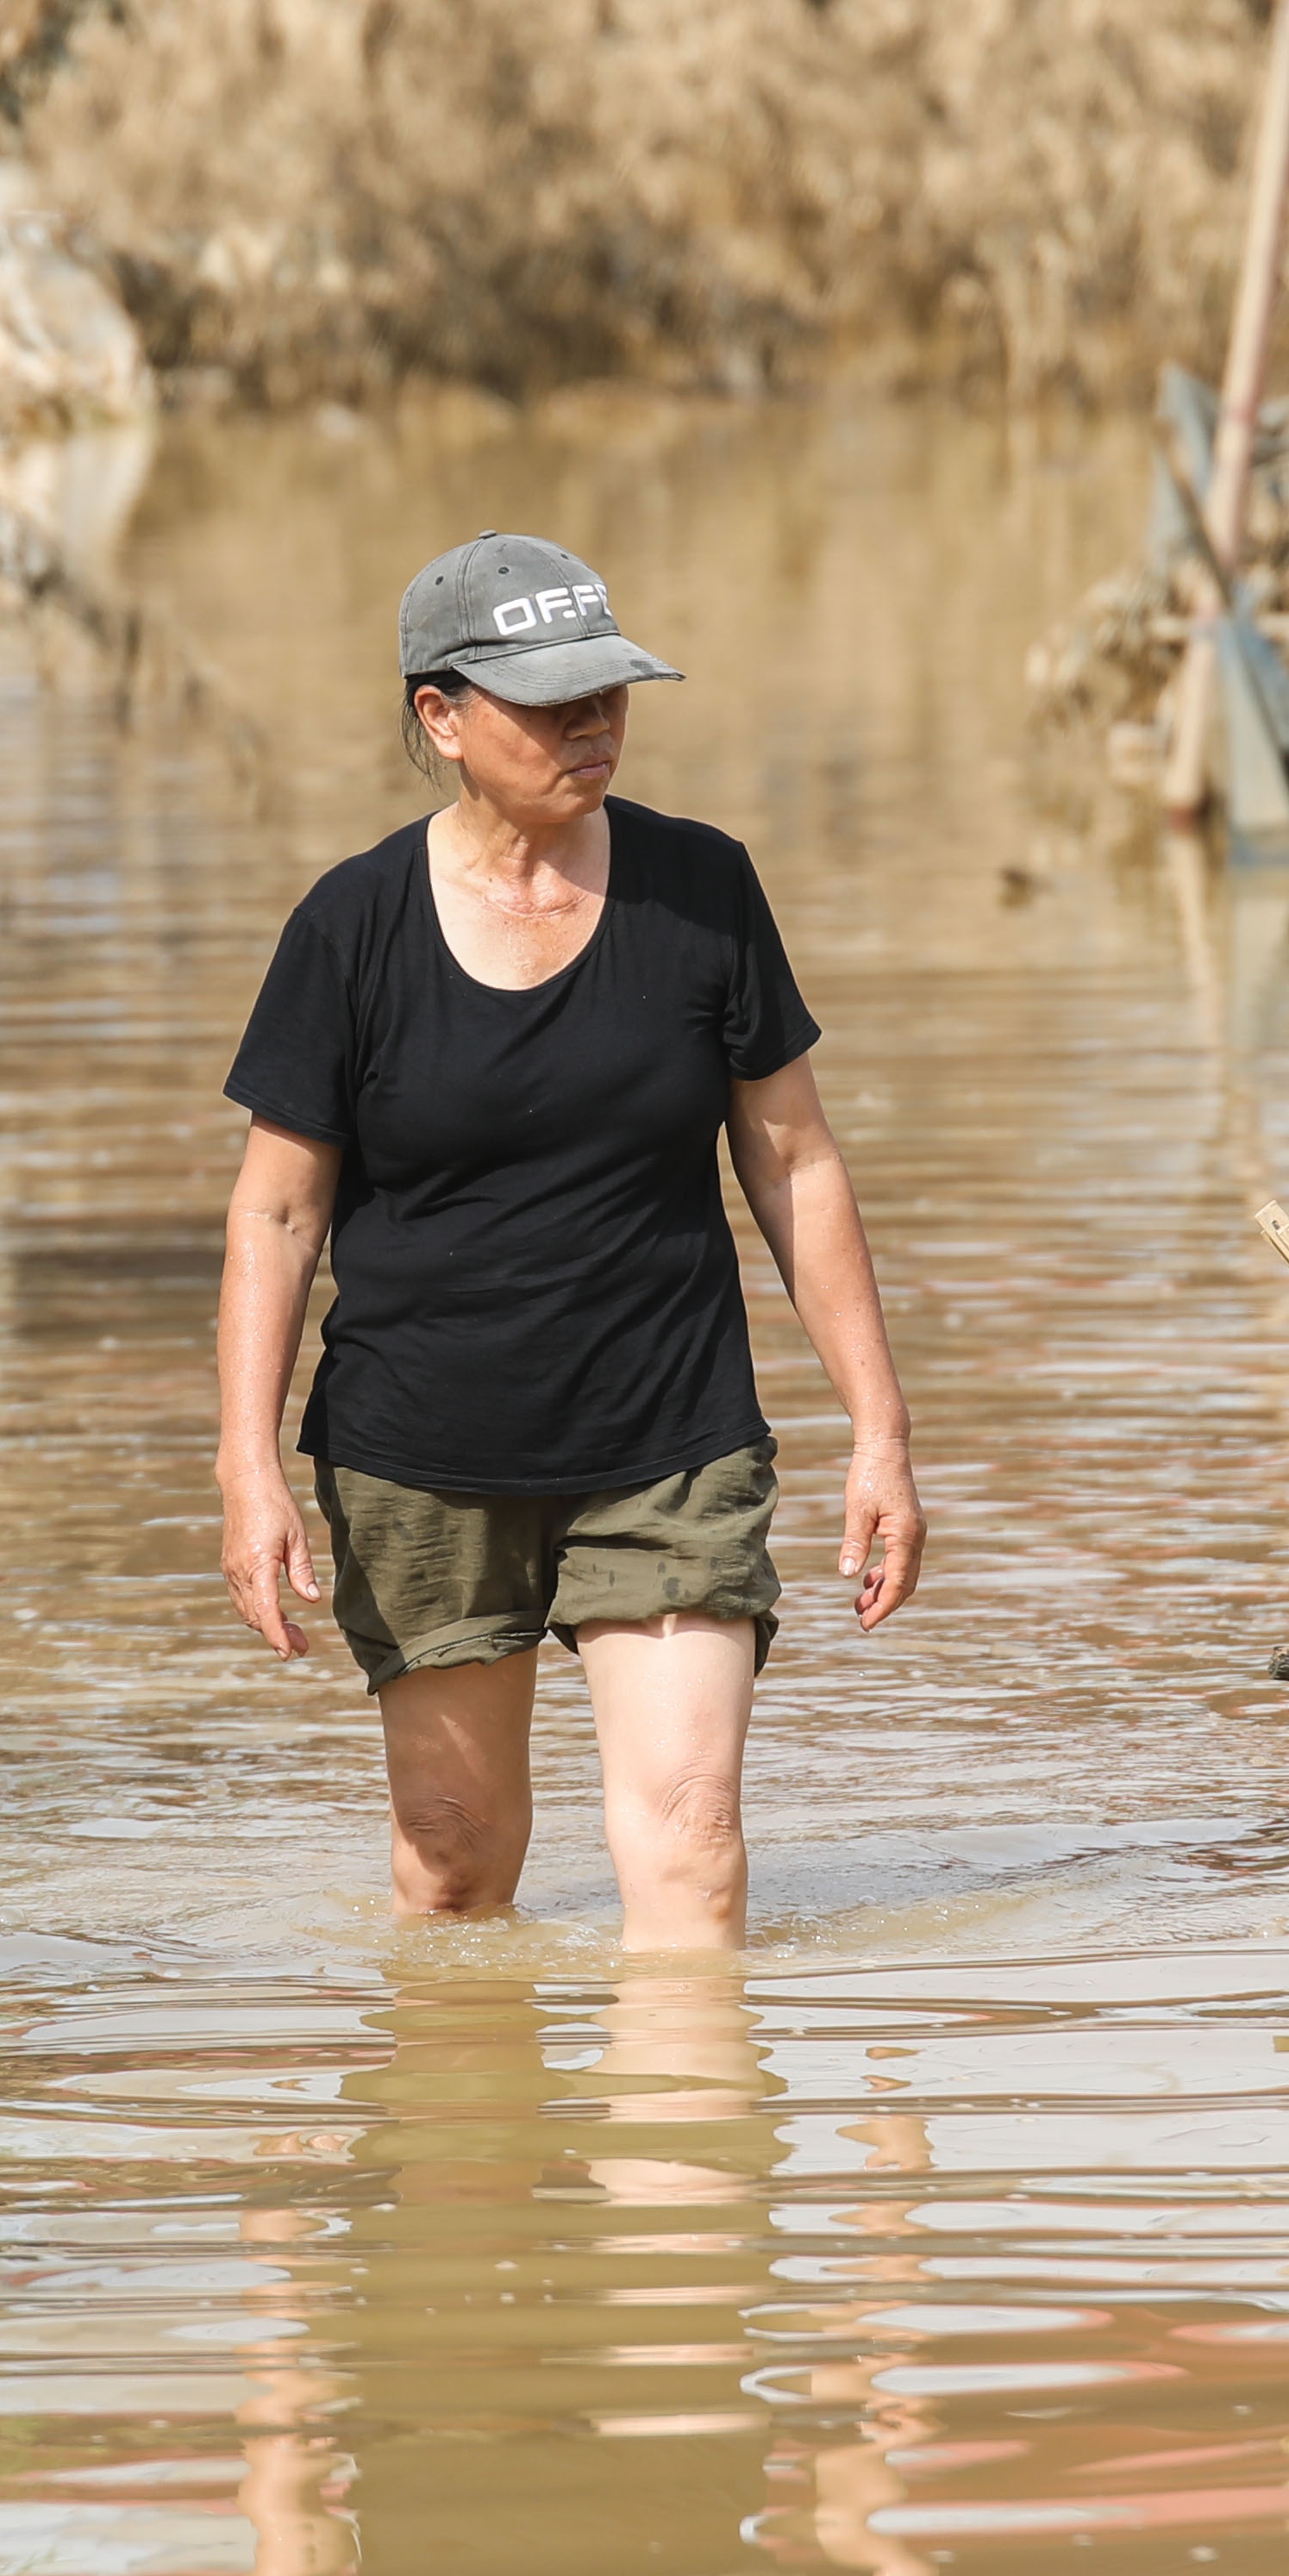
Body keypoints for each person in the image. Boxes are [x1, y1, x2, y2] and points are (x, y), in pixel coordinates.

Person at [214, 533, 923, 1949]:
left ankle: (691, 2094)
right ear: (441, 717)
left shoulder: (702, 890)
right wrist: (247, 1466)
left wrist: (881, 1432)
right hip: (419, 1453)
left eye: (609, 692)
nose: (594, 724)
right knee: (456, 1865)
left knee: (691, 1844)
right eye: (551, 702)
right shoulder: (351, 926)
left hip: (668, 1440)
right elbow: (278, 1214)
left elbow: (794, 1160)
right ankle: (472, 2089)